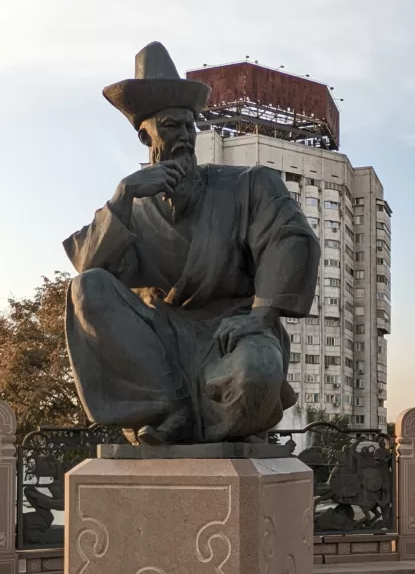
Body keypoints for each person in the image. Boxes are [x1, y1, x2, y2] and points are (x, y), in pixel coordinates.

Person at [64, 42, 320, 445]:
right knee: (85, 287)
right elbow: (90, 274)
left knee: (258, 372)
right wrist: (122, 198)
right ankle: (171, 408)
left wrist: (259, 318)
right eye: (170, 126)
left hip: (231, 335)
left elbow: (290, 237)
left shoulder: (248, 185)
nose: (184, 136)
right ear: (144, 134)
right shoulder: (130, 208)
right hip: (160, 347)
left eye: (189, 126)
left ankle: (208, 420)